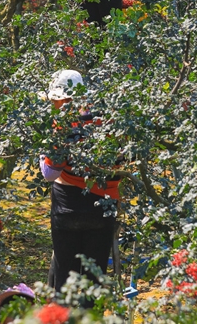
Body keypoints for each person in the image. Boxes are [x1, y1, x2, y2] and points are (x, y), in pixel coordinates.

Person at [40, 70, 120, 295]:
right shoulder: (110, 119)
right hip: (104, 205)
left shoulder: (64, 124)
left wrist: (40, 157)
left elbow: (49, 174)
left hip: (69, 206)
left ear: (63, 98)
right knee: (95, 278)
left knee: (66, 277)